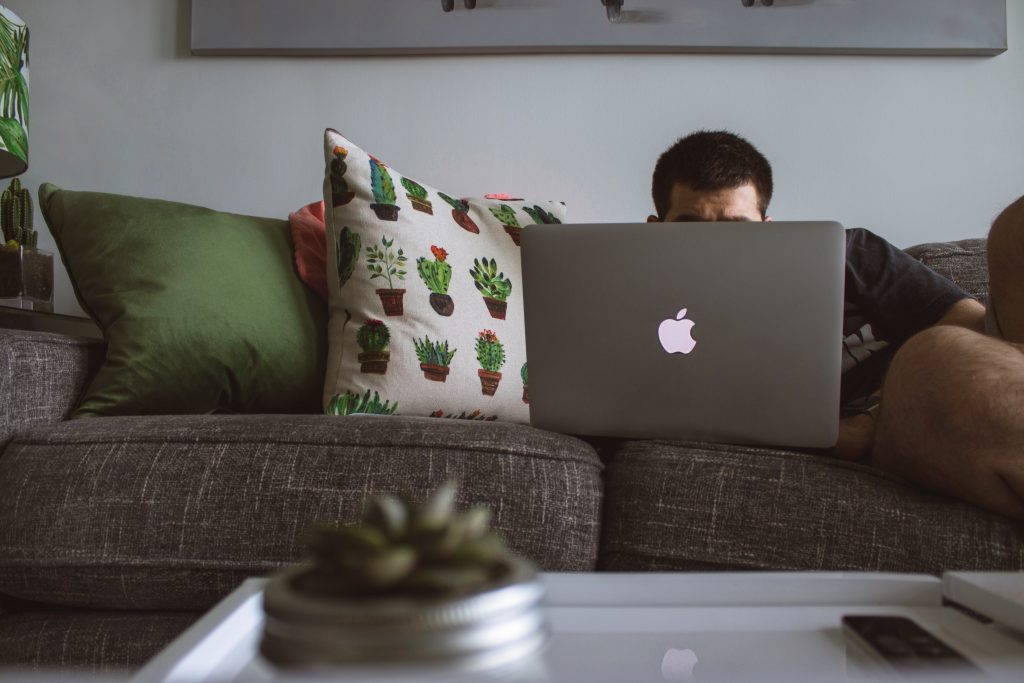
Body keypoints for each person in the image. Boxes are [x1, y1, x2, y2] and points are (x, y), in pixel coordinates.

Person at [650, 130, 1022, 520]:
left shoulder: (846, 253)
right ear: (655, 230)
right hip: (914, 430)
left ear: (767, 225)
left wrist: (867, 422)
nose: (716, 251)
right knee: (929, 362)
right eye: (690, 227)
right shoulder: (641, 309)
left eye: (737, 228)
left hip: (914, 403)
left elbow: (969, 322)